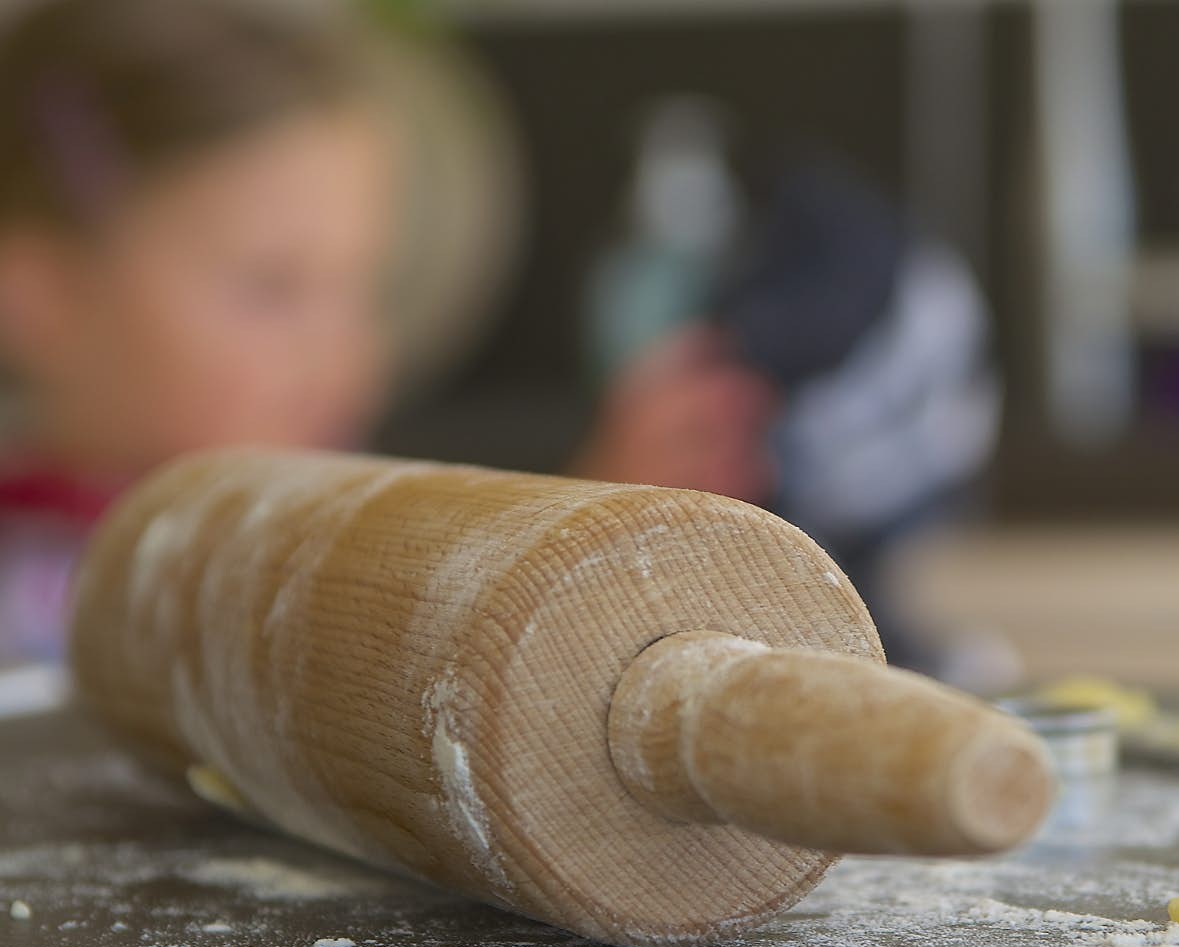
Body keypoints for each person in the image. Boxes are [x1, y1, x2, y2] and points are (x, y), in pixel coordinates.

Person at [0, 0, 769, 664]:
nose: (350, 356)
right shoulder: (40, 598)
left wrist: (585, 535)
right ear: (43, 294)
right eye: (273, 288)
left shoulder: (325, 540)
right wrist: (561, 572)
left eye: (363, 288)